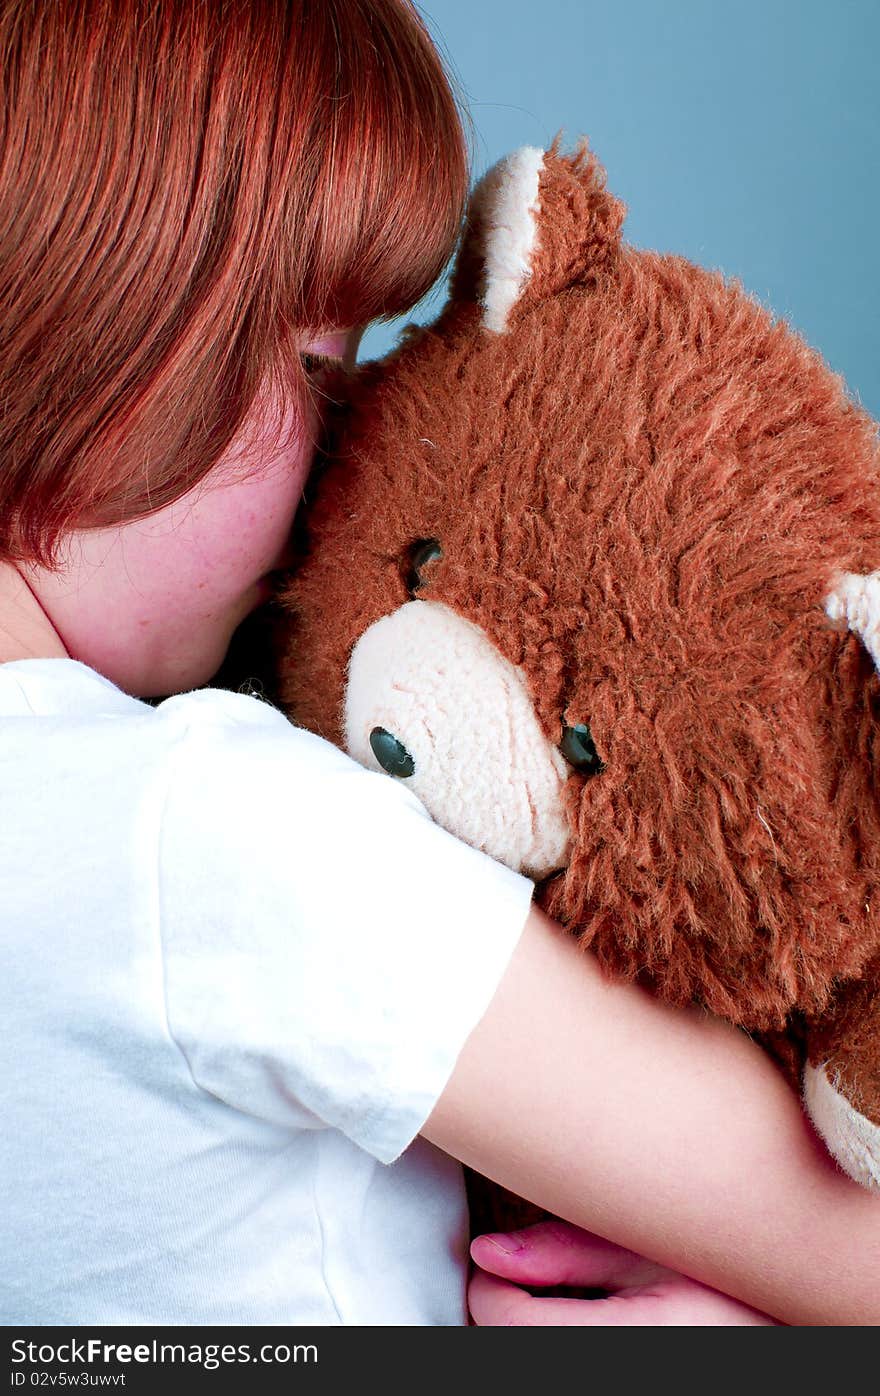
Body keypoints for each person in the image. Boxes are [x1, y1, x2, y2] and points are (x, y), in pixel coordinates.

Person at [1, 0, 878, 1329]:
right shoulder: (215, 837)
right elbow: (839, 1247)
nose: (341, 463)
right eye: (316, 367)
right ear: (115, 324)